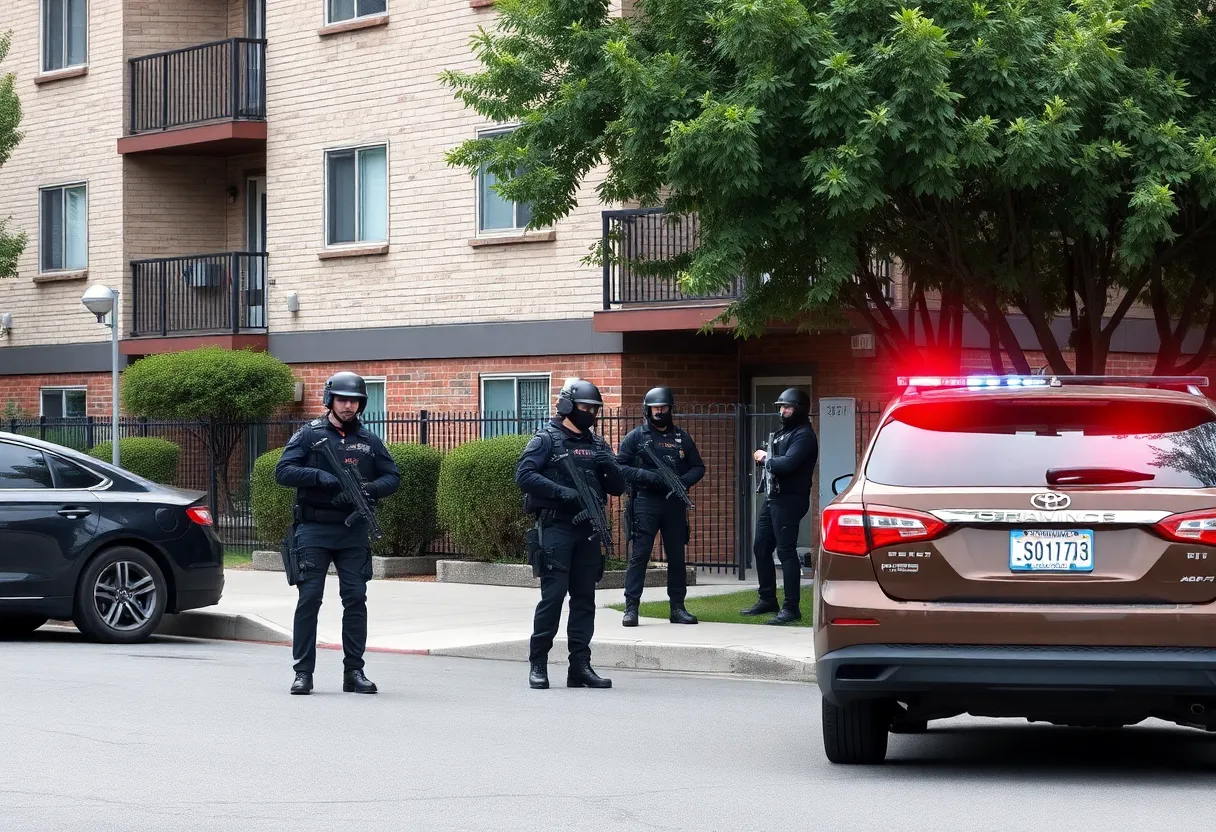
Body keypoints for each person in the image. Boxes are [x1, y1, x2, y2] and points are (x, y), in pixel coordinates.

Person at [275, 371, 401, 695]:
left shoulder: (370, 441)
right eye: (343, 400)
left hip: (353, 530)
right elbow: (283, 471)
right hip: (314, 528)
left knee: (356, 599)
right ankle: (303, 673)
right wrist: (318, 476)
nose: (348, 406)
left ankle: (354, 672)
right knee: (309, 598)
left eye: (354, 401)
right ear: (330, 400)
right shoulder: (308, 435)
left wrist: (371, 487)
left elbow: (393, 476)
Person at [516, 378, 626, 690]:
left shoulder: (597, 444)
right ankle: (538, 661)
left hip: (588, 531)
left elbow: (618, 488)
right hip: (557, 528)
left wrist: (610, 466)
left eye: (594, 409)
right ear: (567, 406)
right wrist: (564, 493)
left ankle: (580, 666)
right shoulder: (547, 439)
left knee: (584, 600)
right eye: (584, 408)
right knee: (552, 598)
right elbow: (524, 475)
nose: (590, 413)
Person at [615, 387, 705, 626]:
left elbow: (698, 467)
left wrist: (682, 482)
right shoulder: (636, 437)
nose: (659, 412)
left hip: (674, 503)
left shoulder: (681, 437)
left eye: (663, 408)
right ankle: (631, 608)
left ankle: (677, 608)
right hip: (646, 501)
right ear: (648, 409)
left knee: (677, 557)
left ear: (670, 409)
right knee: (640, 555)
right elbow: (620, 466)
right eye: (655, 408)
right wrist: (649, 475)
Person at [742, 387, 818, 625]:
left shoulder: (804, 434)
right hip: (773, 497)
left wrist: (765, 458)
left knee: (785, 551)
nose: (783, 411)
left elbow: (788, 464)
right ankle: (767, 599)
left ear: (799, 409)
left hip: (790, 500)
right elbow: (778, 463)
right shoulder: (784, 433)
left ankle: (791, 607)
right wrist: (767, 460)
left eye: (788, 407)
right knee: (761, 546)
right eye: (782, 407)